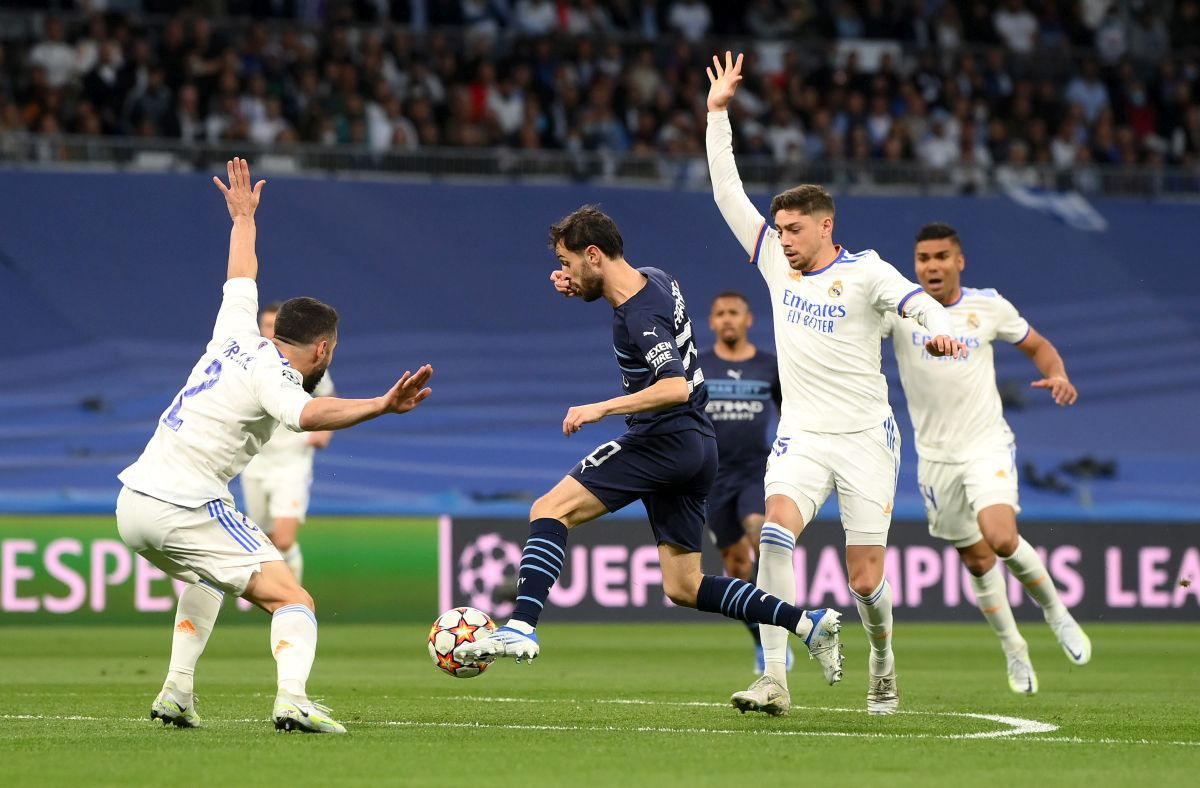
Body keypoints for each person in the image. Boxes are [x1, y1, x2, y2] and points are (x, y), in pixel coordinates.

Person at [454, 205, 843, 687]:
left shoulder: (638, 317)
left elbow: (673, 386)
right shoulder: (656, 277)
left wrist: (600, 408)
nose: (564, 272)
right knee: (685, 586)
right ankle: (808, 624)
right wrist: (580, 286)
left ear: (593, 254)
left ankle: (520, 627)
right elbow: (624, 298)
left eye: (568, 262)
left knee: (549, 509)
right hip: (700, 445)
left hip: (666, 438)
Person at [115, 158, 433, 734]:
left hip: (133, 502)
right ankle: (293, 700)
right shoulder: (279, 379)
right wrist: (382, 405)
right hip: (184, 504)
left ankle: (176, 693)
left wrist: (243, 218)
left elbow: (241, 273)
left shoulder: (234, 331)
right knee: (296, 600)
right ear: (323, 350)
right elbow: (310, 414)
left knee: (205, 581)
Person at [705, 52, 968, 716]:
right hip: (802, 436)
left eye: (795, 230)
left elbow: (917, 304)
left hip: (864, 439)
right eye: (780, 230)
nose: (783, 240)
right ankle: (774, 677)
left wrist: (939, 328)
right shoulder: (774, 262)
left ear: (826, 226)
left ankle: (881, 658)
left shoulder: (870, 272)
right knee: (773, 535)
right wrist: (717, 116)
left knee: (864, 579)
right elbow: (726, 193)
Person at [884, 222, 1091, 694]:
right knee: (977, 562)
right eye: (923, 259)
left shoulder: (988, 306)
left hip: (986, 443)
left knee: (1000, 537)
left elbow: (1036, 345)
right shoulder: (901, 311)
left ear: (960, 261)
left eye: (941, 257)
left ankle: (1056, 613)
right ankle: (1013, 649)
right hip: (936, 457)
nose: (931, 266)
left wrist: (1057, 374)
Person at [698, 291, 787, 671]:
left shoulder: (769, 366)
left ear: (749, 320)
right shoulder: (698, 367)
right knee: (736, 565)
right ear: (711, 323)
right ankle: (762, 641)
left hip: (755, 472)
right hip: (713, 478)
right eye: (720, 313)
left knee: (759, 532)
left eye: (734, 312)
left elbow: (793, 412)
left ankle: (784, 631)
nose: (728, 319)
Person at [240, 302, 335, 583]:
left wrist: (324, 431)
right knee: (264, 540)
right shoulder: (252, 361)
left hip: (292, 463)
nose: (268, 331)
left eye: (273, 325)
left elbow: (326, 395)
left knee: (283, 539)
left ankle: (293, 601)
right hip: (256, 462)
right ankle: (278, 598)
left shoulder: (306, 361)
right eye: (264, 325)